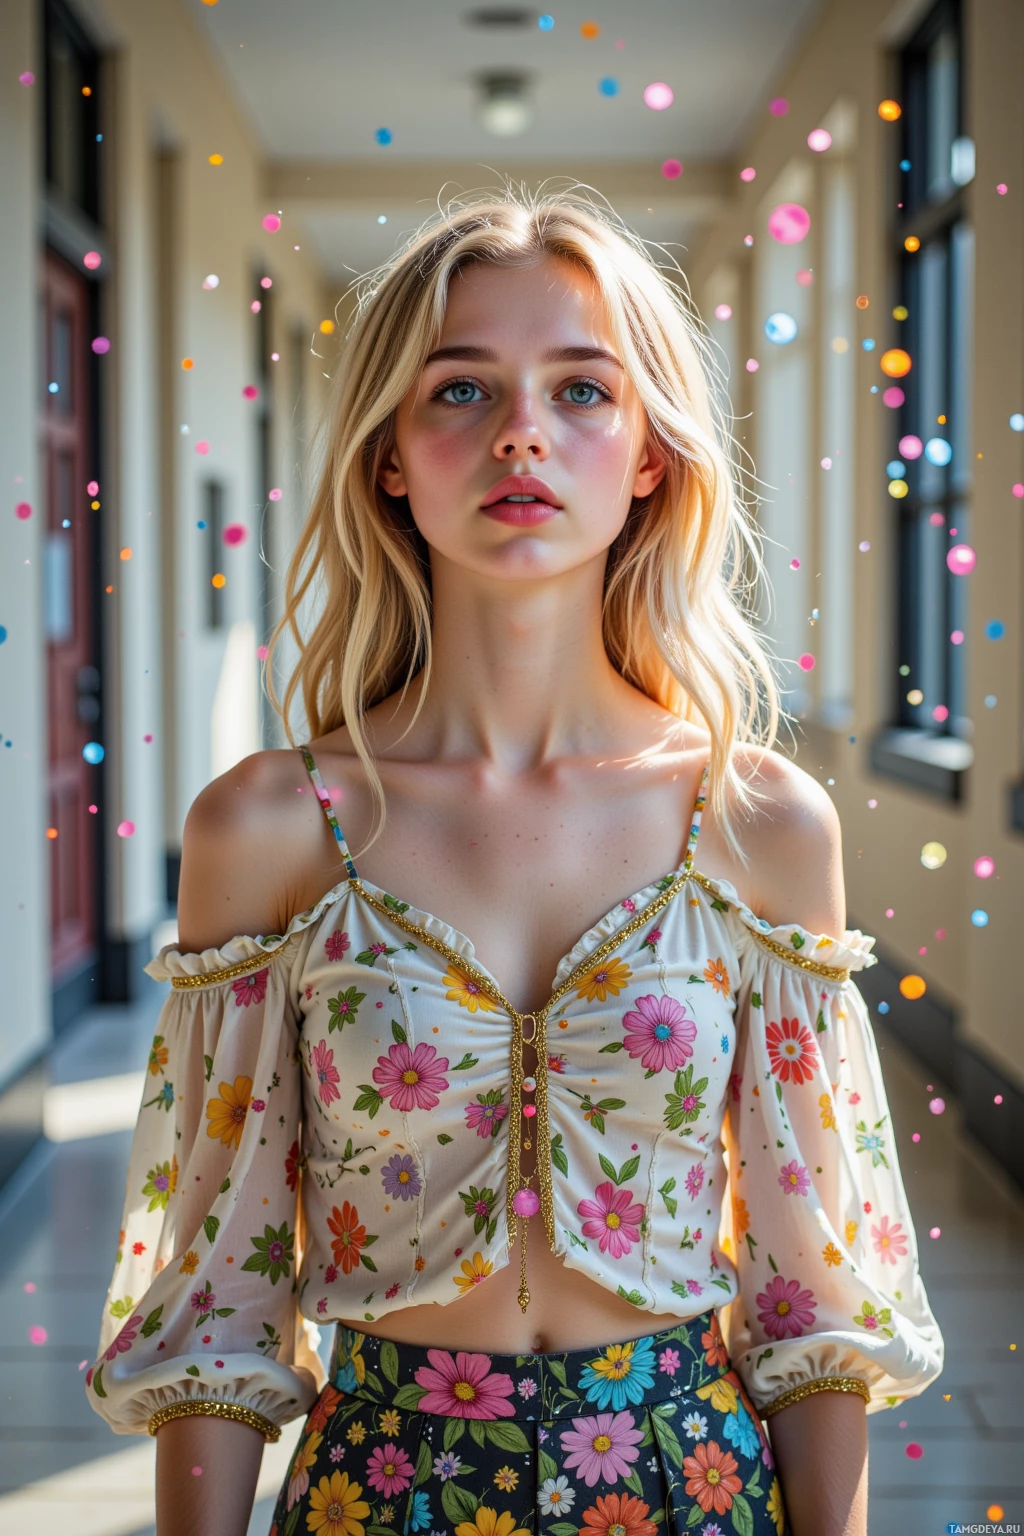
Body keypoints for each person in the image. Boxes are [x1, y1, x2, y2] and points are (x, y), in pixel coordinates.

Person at [85, 189, 943, 1536]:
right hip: (380, 1491)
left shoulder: (759, 822)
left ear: (652, 454)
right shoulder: (268, 827)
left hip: (684, 1486)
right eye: (462, 389)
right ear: (388, 456)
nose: (523, 433)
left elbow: (811, 1292)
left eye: (584, 390)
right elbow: (219, 1295)